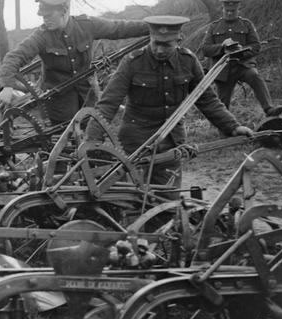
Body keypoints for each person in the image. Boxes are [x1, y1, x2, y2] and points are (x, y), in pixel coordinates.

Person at [84, 15, 253, 192]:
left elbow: (207, 99)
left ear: (178, 39)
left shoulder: (188, 61)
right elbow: (108, 103)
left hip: (172, 143)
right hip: (135, 144)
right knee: (132, 202)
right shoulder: (132, 62)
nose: (158, 49)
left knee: (168, 201)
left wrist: (232, 126)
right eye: (155, 42)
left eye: (166, 45)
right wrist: (93, 140)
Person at [0, 0, 149, 124]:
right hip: (57, 102)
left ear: (64, 11)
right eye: (43, 16)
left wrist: (154, 27)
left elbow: (119, 28)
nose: (45, 20)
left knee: (90, 137)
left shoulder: (87, 26)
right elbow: (14, 57)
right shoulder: (41, 36)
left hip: (87, 97)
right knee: (62, 145)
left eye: (49, 16)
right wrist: (7, 86)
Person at [199, 0, 281, 117]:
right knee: (222, 102)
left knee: (255, 76)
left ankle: (269, 109)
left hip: (243, 65)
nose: (230, 13)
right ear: (222, 9)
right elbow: (205, 49)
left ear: (239, 10)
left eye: (233, 11)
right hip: (222, 68)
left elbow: (256, 45)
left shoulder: (246, 24)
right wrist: (222, 47)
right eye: (227, 11)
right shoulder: (214, 26)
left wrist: (241, 51)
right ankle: (224, 129)